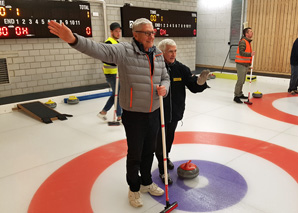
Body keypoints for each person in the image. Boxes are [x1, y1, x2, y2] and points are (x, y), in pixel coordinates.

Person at [48, 18, 170, 208]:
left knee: (149, 152)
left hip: (154, 111)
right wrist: (73, 39)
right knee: (135, 154)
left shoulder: (159, 54)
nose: (151, 36)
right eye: (147, 33)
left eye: (153, 32)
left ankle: (146, 182)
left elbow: (165, 77)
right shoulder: (124, 51)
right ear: (136, 34)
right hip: (134, 114)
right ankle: (134, 188)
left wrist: (165, 87)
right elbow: (98, 49)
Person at [155, 39, 209, 184]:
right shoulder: (155, 68)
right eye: (170, 51)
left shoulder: (181, 69)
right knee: (160, 143)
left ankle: (166, 158)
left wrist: (200, 82)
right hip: (158, 113)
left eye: (175, 51)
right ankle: (162, 168)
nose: (173, 54)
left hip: (175, 113)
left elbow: (193, 86)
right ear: (162, 52)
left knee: (169, 138)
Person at [97, 22, 122, 121]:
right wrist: (115, 63)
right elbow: (104, 59)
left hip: (117, 73)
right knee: (118, 94)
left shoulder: (118, 43)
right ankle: (119, 116)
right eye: (116, 31)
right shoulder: (108, 43)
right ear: (111, 32)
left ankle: (103, 112)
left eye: (119, 31)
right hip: (111, 74)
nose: (118, 33)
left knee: (116, 93)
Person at [234, 27, 255, 103]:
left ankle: (240, 94)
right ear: (246, 34)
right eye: (250, 32)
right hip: (241, 64)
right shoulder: (243, 41)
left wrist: (249, 64)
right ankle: (236, 96)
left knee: (242, 80)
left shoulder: (247, 42)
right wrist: (250, 54)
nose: (252, 33)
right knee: (240, 81)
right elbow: (241, 52)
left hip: (245, 64)